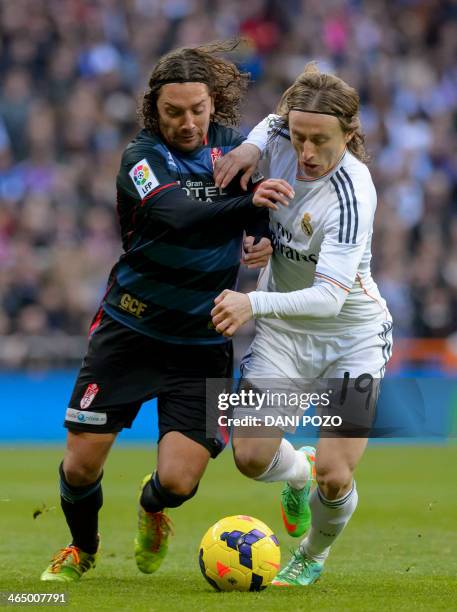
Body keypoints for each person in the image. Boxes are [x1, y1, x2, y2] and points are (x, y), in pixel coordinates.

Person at [40, 40, 293, 582]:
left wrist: (261, 235)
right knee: (81, 465)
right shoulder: (140, 159)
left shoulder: (236, 149)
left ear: (213, 102)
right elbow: (176, 212)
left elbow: (268, 202)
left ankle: (152, 509)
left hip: (201, 344)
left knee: (178, 483)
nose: (186, 121)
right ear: (154, 108)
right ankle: (81, 551)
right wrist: (248, 205)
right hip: (130, 331)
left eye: (197, 109)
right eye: (173, 111)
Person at [211, 63, 393, 586]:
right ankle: (297, 472)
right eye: (298, 137)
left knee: (336, 476)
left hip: (352, 339)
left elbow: (331, 299)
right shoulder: (281, 137)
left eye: (321, 141)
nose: (307, 153)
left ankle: (311, 554)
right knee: (248, 457)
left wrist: (253, 304)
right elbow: (271, 123)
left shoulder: (354, 192)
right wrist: (249, 145)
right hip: (285, 337)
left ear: (349, 135)